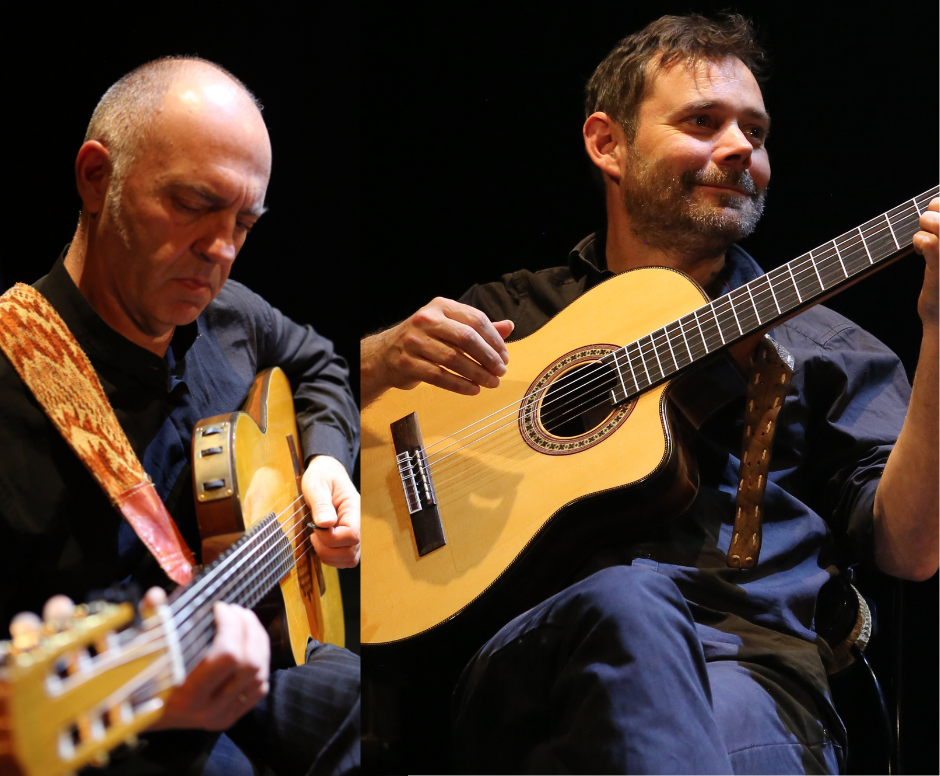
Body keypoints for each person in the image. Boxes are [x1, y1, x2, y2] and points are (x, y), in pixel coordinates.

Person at [360, 13, 938, 774]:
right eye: (704, 122)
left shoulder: (828, 348)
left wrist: (938, 327)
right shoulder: (510, 313)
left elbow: (911, 548)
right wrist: (373, 358)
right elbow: (337, 432)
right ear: (608, 144)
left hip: (748, 672)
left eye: (756, 133)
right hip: (530, 675)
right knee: (629, 603)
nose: (740, 148)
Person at [0, 58, 360, 775]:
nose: (221, 249)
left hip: (266, 649)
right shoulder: (13, 384)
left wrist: (322, 461)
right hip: (114, 712)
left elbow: (320, 365)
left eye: (244, 223)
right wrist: (158, 701)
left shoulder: (230, 314)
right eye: (196, 204)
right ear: (97, 178)